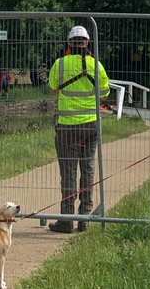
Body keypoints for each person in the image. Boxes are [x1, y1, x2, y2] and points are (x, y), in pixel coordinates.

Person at [47, 24, 109, 233]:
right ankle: (85, 218)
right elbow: (105, 92)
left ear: (69, 42)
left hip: (67, 127)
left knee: (68, 172)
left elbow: (52, 89)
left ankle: (66, 220)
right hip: (91, 125)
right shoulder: (96, 65)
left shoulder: (60, 64)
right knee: (88, 169)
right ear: (87, 42)